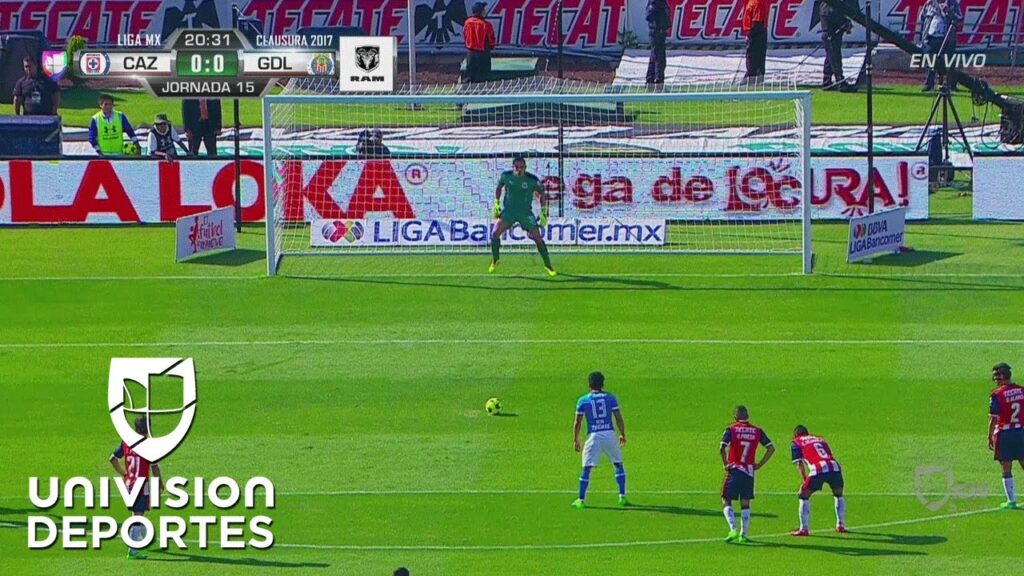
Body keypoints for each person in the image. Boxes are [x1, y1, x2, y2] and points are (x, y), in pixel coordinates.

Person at [489, 156, 556, 276]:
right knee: (494, 233)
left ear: (525, 168)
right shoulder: (506, 176)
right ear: (513, 167)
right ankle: (495, 260)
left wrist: (543, 212)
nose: (519, 170)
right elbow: (499, 187)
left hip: (525, 212)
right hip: (509, 211)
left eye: (521, 167)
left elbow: (541, 192)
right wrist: (496, 203)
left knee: (537, 237)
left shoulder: (531, 180)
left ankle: (548, 265)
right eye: (516, 167)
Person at [571, 372, 628, 509]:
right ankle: (622, 496)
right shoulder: (610, 398)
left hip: (594, 436)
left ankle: (581, 500)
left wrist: (576, 439)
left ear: (589, 384)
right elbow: (618, 418)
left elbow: (577, 422)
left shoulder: (583, 400)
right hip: (609, 433)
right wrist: (622, 434)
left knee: (586, 467)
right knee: (618, 464)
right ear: (603, 384)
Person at [720, 405, 775, 543]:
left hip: (734, 469)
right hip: (749, 472)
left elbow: (722, 447)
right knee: (745, 502)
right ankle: (743, 534)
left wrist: (725, 463)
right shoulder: (757, 431)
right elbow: (771, 448)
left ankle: (733, 529)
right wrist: (759, 464)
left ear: (735, 417)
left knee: (726, 499)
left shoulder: (731, 429)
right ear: (748, 416)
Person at [109, 417, 162, 560]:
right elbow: (155, 468)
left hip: (129, 484)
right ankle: (132, 550)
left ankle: (147, 538)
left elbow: (113, 459)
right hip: (141, 485)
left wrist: (124, 473)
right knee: (138, 515)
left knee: (137, 513)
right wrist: (160, 483)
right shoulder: (148, 445)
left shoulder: (126, 441)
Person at [790, 425, 846, 536]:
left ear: (796, 435)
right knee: (838, 495)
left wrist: (805, 481)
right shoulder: (820, 439)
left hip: (818, 469)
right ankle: (841, 525)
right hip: (834, 466)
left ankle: (803, 529)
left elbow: (799, 463)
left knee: (803, 495)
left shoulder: (796, 442)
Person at [988, 363, 1023, 509]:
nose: (995, 379)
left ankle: (1011, 501)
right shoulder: (1022, 390)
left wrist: (989, 436)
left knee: (1006, 467)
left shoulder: (997, 395)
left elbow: (993, 418)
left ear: (1002, 376)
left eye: (996, 376)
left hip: (1005, 433)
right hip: (1021, 432)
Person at [920, 0, 962, 92]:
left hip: (947, 38)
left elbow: (959, 19)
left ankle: (951, 85)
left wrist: (949, 12)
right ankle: (929, 84)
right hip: (931, 37)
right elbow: (922, 17)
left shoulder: (953, 4)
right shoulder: (930, 3)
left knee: (949, 62)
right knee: (930, 61)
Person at [818, 0, 854, 90]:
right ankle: (840, 82)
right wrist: (845, 23)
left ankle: (826, 82)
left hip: (831, 34)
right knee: (835, 59)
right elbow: (832, 15)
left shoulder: (826, 4)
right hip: (831, 35)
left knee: (830, 59)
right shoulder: (828, 5)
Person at [463, 2, 496, 83]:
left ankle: (466, 93)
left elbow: (465, 35)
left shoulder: (467, 22)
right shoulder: (486, 25)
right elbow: (491, 41)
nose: (485, 11)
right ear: (480, 12)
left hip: (471, 53)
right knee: (483, 77)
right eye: (483, 10)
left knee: (469, 76)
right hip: (483, 54)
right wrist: (491, 46)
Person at [742, 0, 768, 82]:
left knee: (753, 55)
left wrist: (750, 34)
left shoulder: (755, 2)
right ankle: (758, 76)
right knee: (759, 55)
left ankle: (751, 76)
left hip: (756, 31)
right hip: (759, 30)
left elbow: (756, 22)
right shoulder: (753, 2)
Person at [646, 0, 670, 85]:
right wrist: (658, 24)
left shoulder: (660, 2)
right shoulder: (655, 2)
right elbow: (649, 15)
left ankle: (650, 80)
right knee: (659, 59)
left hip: (660, 32)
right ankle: (659, 82)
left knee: (655, 57)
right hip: (656, 32)